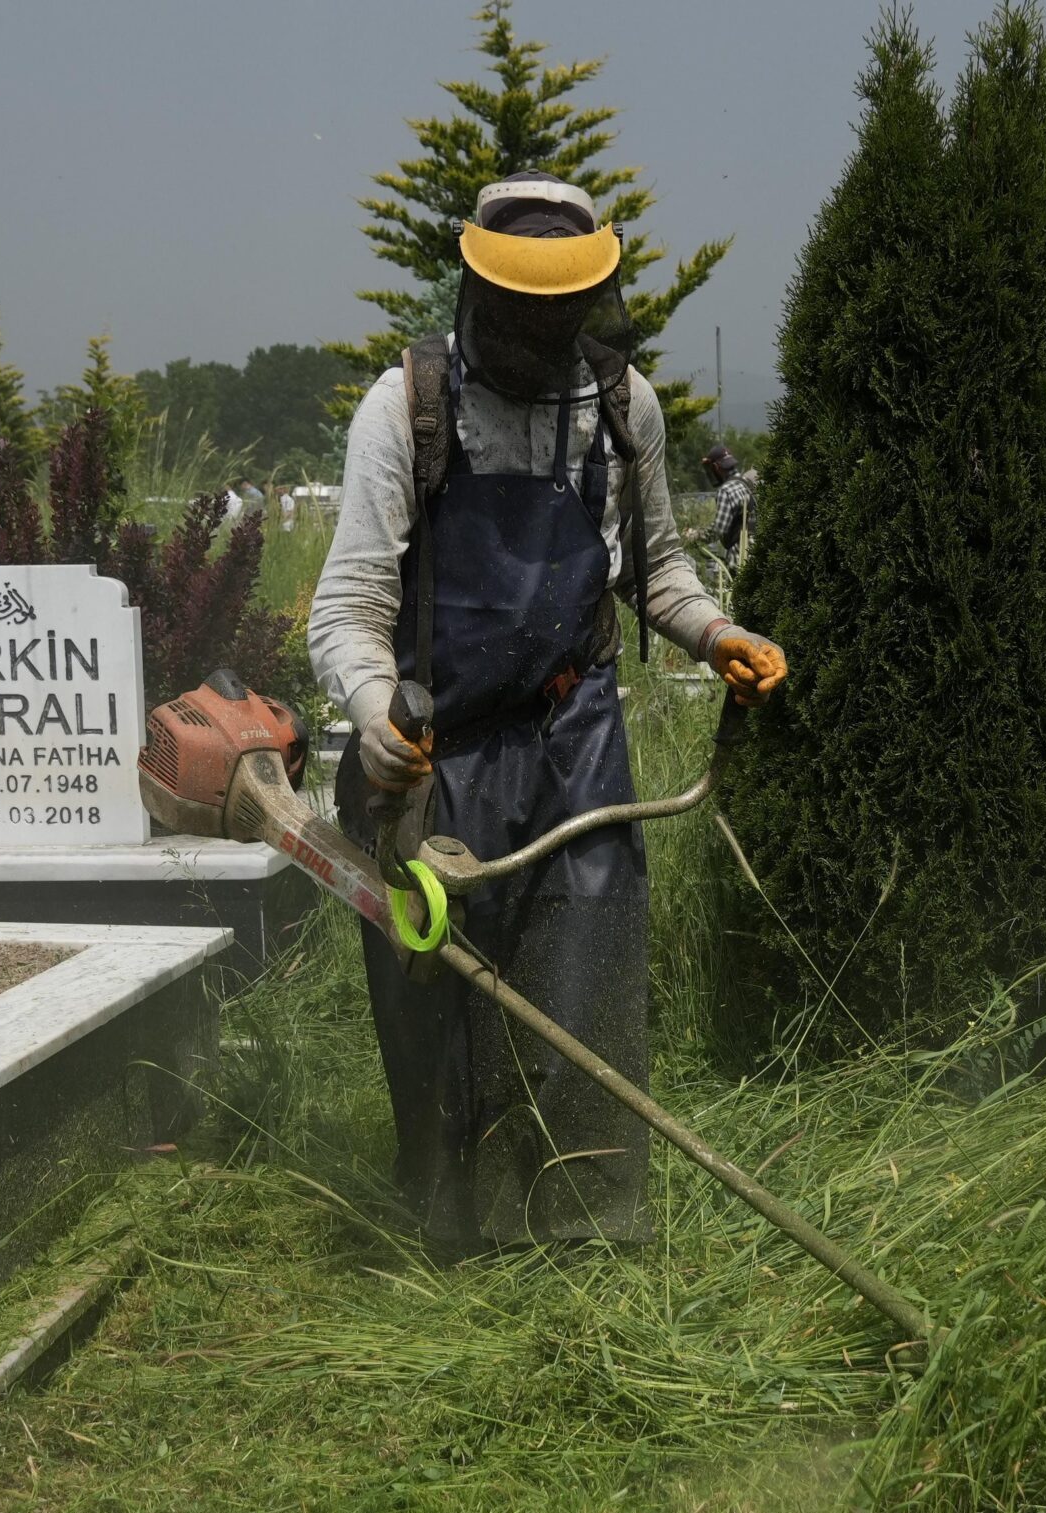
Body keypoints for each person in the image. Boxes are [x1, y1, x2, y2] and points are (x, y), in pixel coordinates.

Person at [307, 170, 786, 1256]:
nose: (537, 330)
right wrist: (381, 718)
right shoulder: (410, 409)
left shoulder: (623, 409)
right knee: (443, 1017)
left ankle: (586, 1233)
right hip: (441, 756)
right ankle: (453, 1234)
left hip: (576, 745)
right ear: (483, 293)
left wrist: (719, 637)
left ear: (585, 302)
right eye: (520, 309)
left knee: (585, 986)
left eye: (556, 309)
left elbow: (655, 570)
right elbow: (346, 611)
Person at [702, 442, 755, 592]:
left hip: (741, 556)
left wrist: (697, 536)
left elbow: (720, 529)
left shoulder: (726, 490)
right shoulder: (747, 483)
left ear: (716, 468)